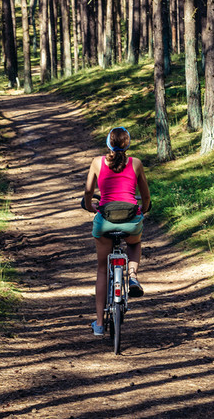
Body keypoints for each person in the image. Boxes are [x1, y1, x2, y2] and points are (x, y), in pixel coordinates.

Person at [83, 126, 151, 336]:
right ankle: (131, 275)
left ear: (108, 143)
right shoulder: (136, 163)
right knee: (135, 242)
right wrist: (144, 209)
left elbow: (88, 193)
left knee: (102, 270)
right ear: (128, 144)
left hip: (105, 221)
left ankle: (100, 324)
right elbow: (145, 196)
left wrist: (89, 206)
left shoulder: (97, 162)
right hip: (130, 221)